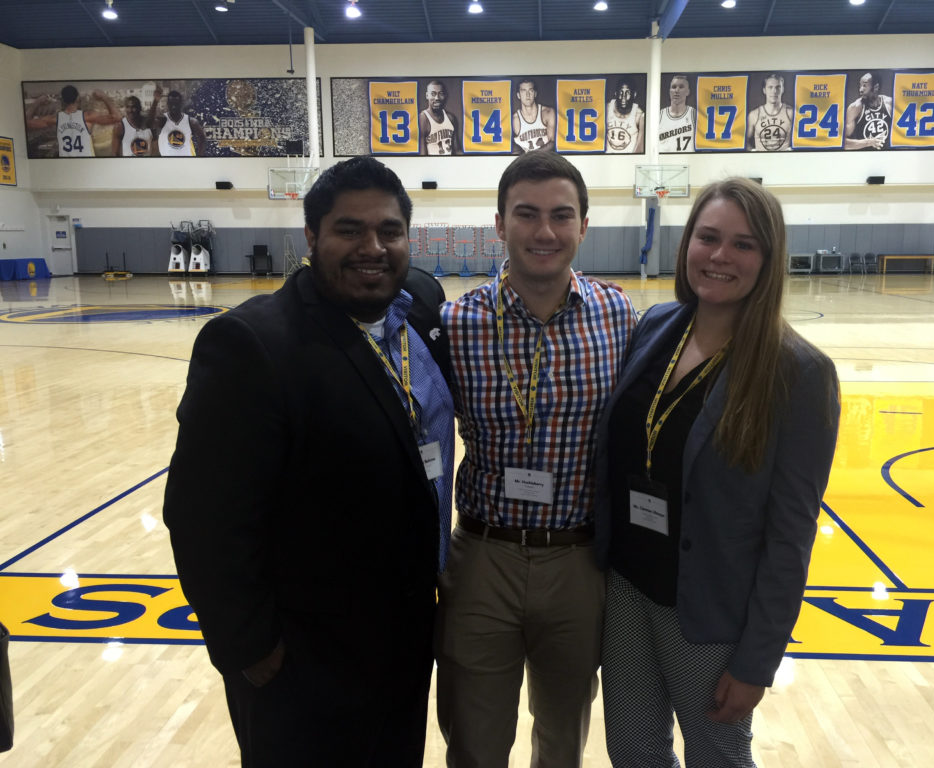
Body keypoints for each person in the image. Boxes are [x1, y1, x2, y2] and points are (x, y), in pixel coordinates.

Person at [163, 155, 455, 767]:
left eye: (389, 231)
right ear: (312, 237)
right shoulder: (253, 344)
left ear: (408, 237)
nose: (371, 247)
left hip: (403, 638)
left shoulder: (420, 307)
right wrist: (248, 645)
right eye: (350, 230)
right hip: (302, 658)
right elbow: (201, 516)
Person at [594, 178, 840, 767]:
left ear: (769, 259)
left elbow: (790, 537)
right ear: (687, 246)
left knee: (716, 755)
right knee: (632, 751)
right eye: (708, 237)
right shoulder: (655, 327)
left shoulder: (797, 373)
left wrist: (757, 660)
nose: (720, 256)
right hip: (628, 588)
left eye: (744, 245)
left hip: (706, 610)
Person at [436, 151, 636, 767]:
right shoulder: (455, 323)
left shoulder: (620, 317)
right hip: (482, 559)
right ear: (499, 223)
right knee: (474, 740)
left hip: (578, 563)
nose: (544, 232)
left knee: (563, 738)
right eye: (526, 214)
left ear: (583, 224)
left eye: (560, 215)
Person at [24, 84, 119, 157]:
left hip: (67, 166)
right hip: (87, 164)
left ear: (63, 100)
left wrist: (38, 101)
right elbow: (116, 117)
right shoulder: (87, 117)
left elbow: (26, 123)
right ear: (77, 98)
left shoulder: (55, 119)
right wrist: (103, 97)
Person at [151, 87, 207, 156]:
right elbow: (150, 124)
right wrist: (155, 101)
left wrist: (199, 157)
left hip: (187, 163)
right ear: (168, 104)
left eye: (176, 103)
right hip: (167, 164)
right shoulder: (163, 120)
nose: (174, 106)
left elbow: (202, 138)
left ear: (181, 104)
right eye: (171, 103)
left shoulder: (191, 121)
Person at [845, 72, 893, 150]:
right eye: (860, 85)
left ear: (876, 87)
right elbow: (842, 143)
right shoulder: (855, 108)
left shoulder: (889, 103)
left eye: (864, 85)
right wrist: (869, 142)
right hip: (863, 157)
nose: (860, 90)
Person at [746, 74, 794, 151]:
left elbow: (802, 141)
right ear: (764, 90)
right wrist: (753, 153)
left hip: (785, 160)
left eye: (778, 87)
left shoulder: (791, 113)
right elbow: (744, 142)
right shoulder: (754, 114)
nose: (774, 91)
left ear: (783, 89)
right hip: (761, 161)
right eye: (770, 87)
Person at [512, 78, 556, 153]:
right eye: (523, 91)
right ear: (518, 95)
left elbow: (552, 143)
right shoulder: (514, 120)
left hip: (545, 159)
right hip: (525, 162)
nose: (527, 95)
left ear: (535, 93)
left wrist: (531, 155)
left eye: (530, 90)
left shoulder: (547, 112)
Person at [419, 79, 461, 155]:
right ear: (427, 96)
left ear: (445, 96)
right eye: (433, 94)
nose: (437, 98)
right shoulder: (423, 118)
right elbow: (422, 155)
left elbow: (457, 150)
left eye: (440, 94)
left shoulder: (451, 118)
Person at [658, 74, 697, 153]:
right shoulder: (659, 115)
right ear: (669, 91)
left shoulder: (694, 114)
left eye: (681, 87)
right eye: (674, 87)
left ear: (688, 92)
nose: (677, 90)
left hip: (688, 162)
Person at [607, 78, 646, 153]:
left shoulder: (639, 114)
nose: (623, 97)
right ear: (616, 93)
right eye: (620, 92)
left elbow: (640, 147)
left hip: (628, 159)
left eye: (627, 93)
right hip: (609, 159)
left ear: (634, 95)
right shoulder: (607, 109)